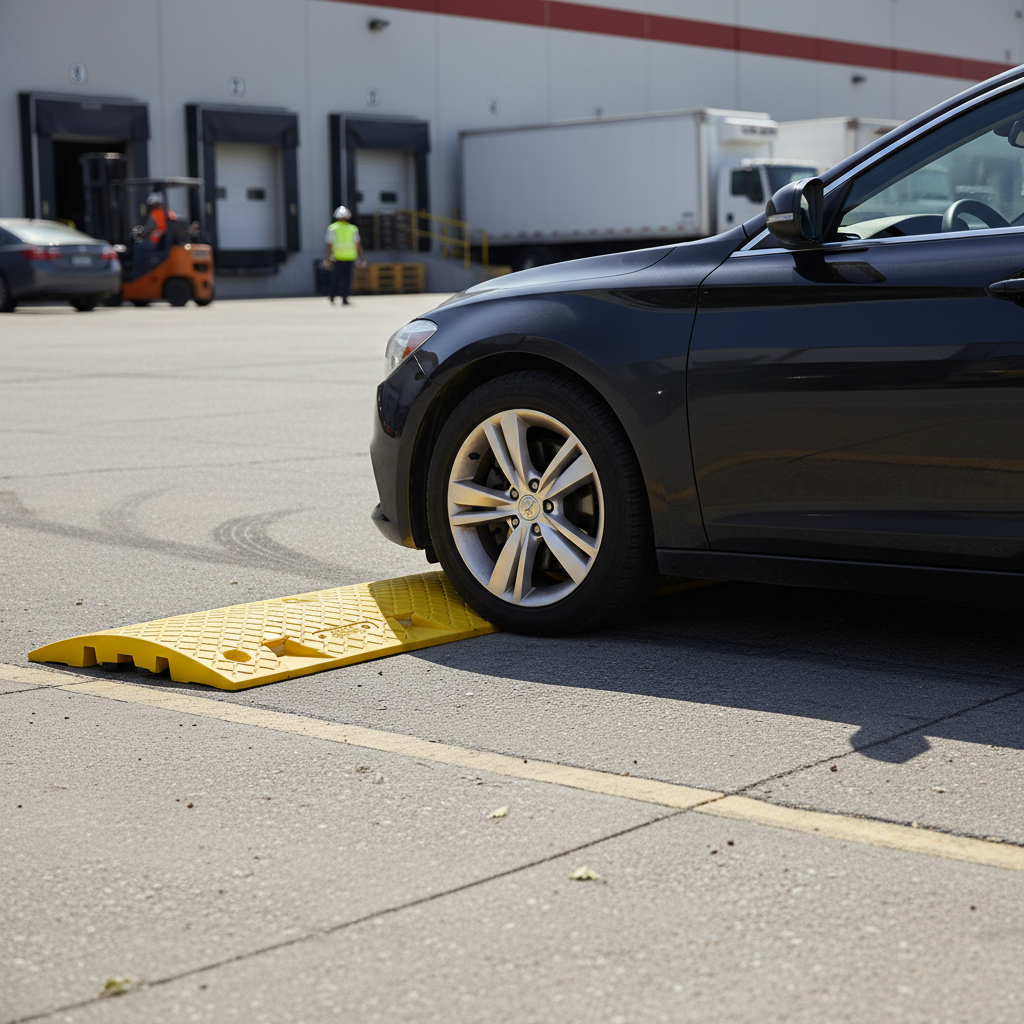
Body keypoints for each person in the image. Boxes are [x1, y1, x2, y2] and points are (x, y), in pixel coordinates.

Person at [322, 206, 365, 305]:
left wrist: (327, 258)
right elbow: (358, 245)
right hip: (350, 257)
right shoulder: (353, 228)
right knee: (347, 279)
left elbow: (329, 244)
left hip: (337, 257)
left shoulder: (332, 228)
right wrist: (361, 258)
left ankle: (332, 296)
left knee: (335, 278)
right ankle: (344, 299)